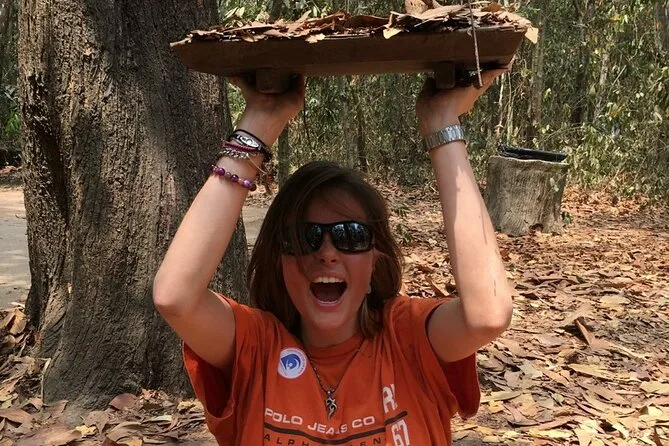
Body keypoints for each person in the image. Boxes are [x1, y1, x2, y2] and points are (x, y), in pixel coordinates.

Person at [153, 69, 513, 446]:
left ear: (375, 260)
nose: (326, 253)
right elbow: (175, 296)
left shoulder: (408, 338)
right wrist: (259, 121)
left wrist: (441, 121)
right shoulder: (255, 346)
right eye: (303, 238)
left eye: (350, 236)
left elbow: (487, 315)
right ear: (279, 260)